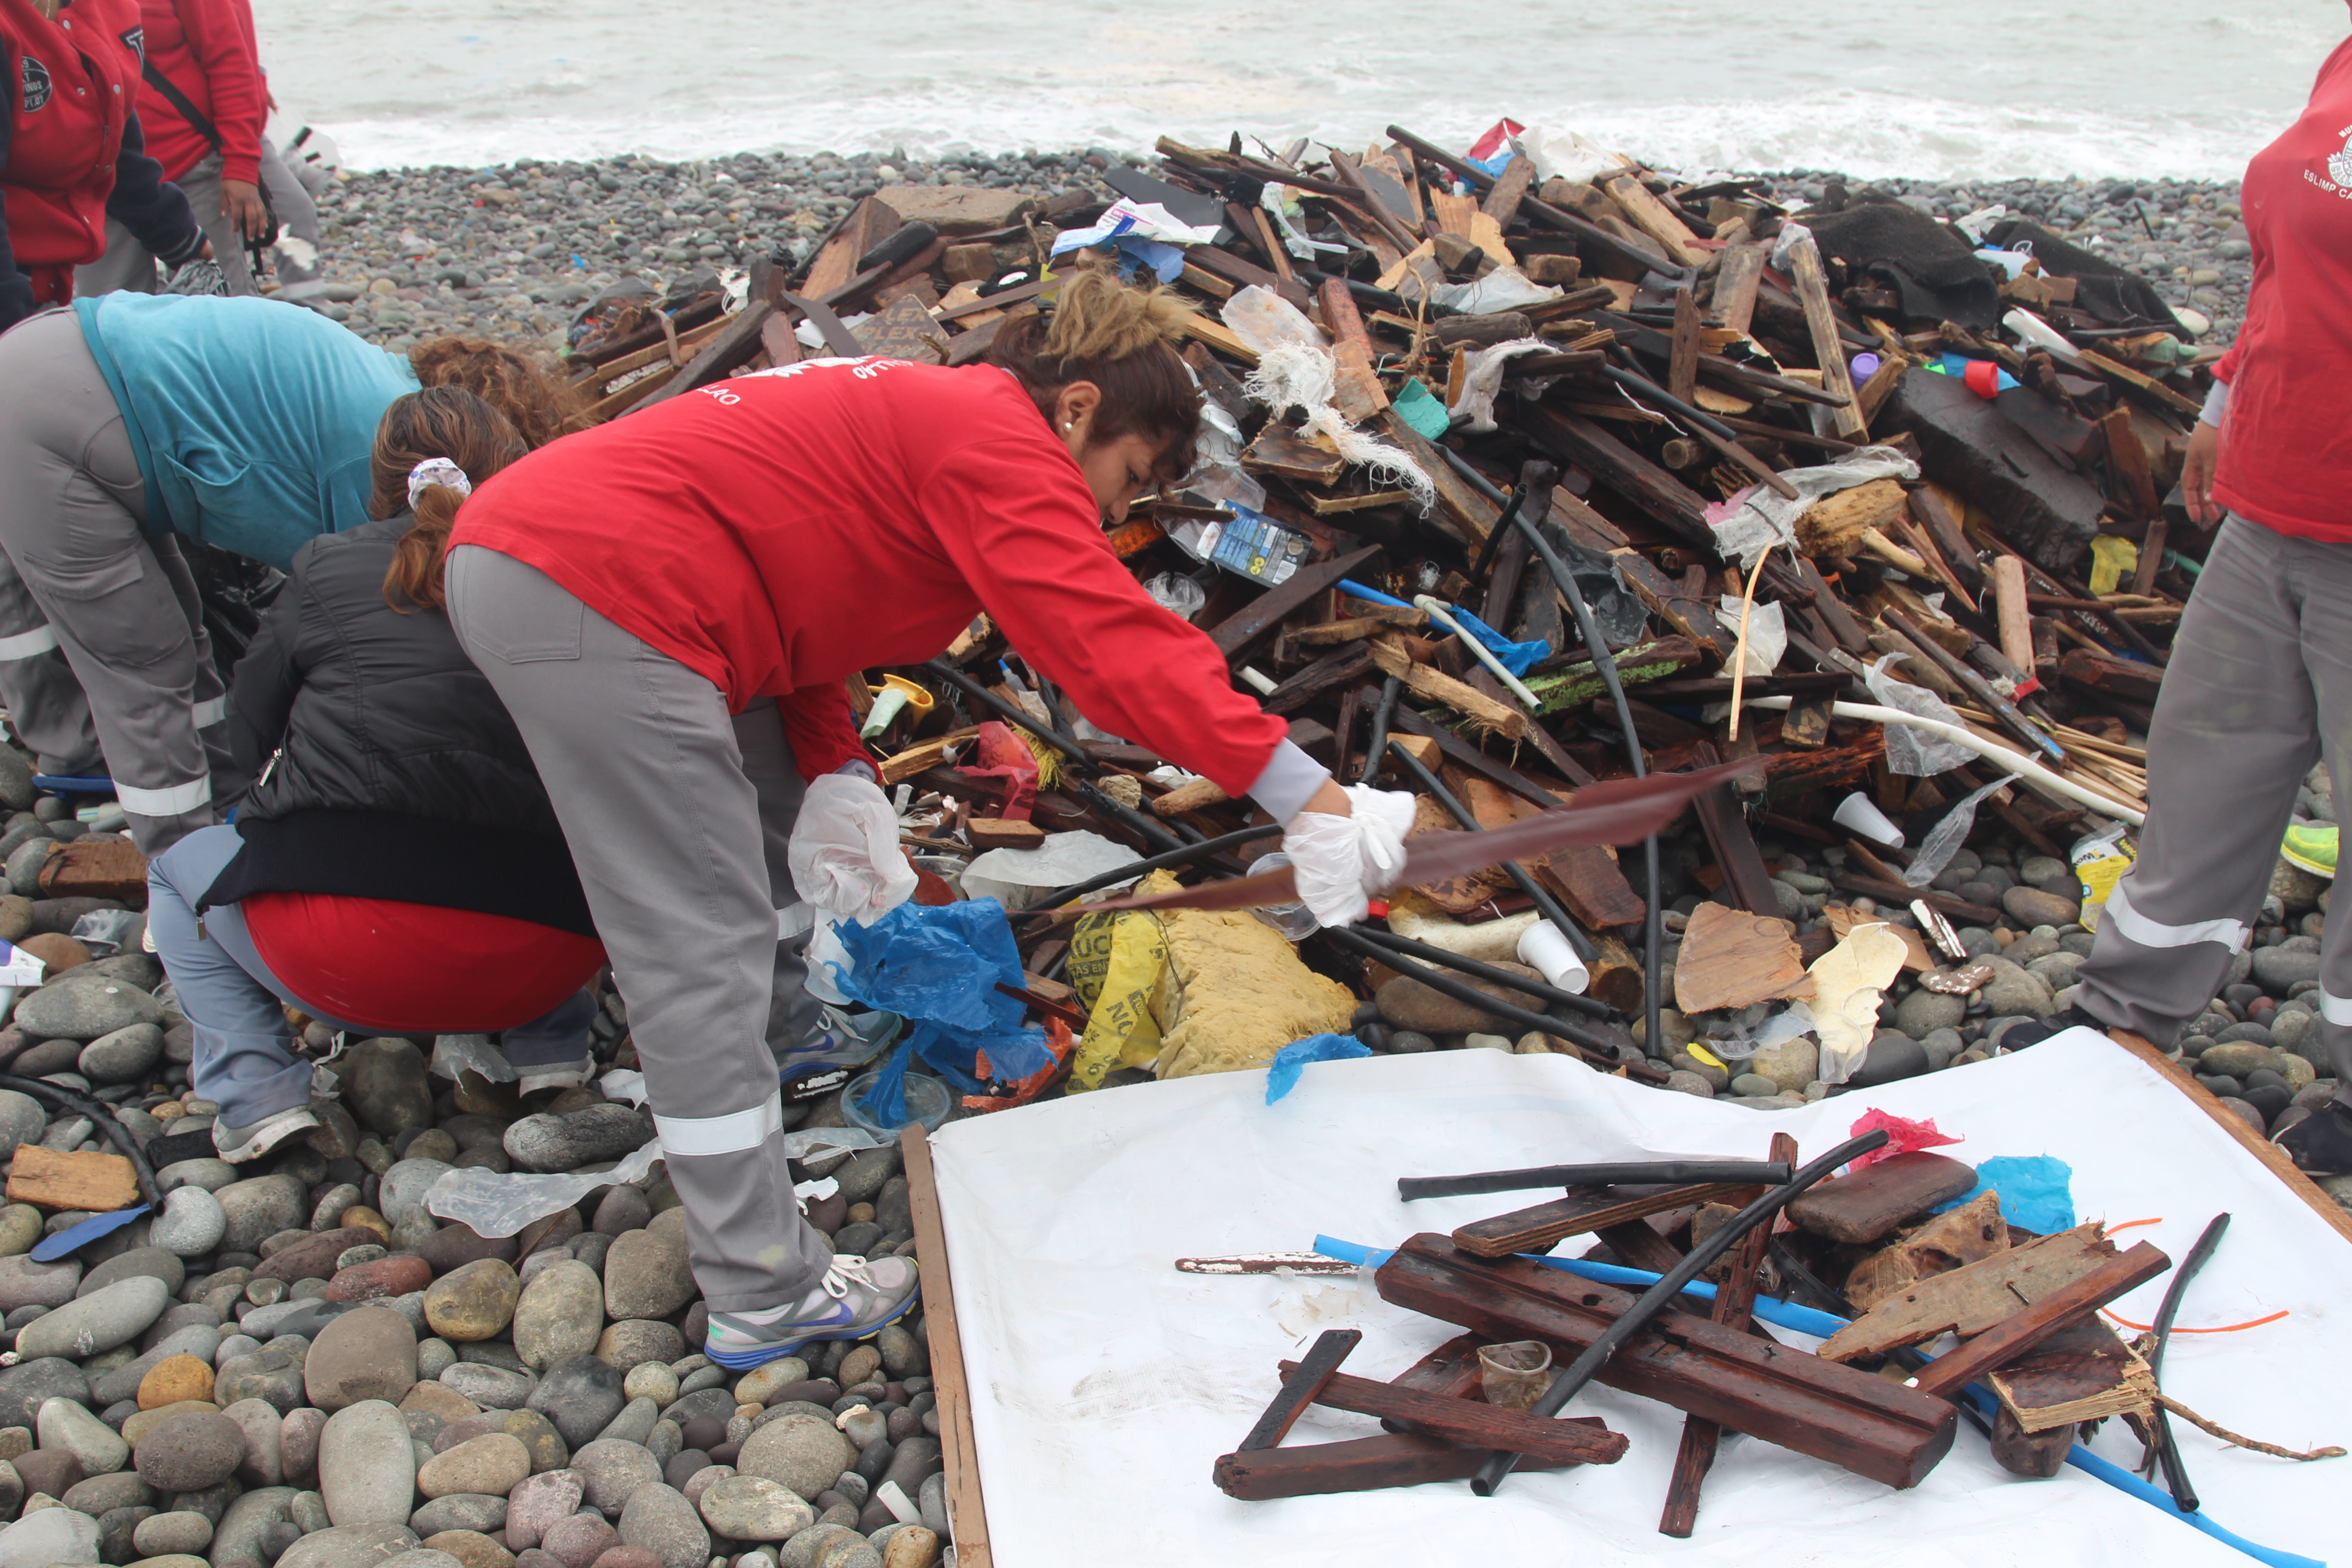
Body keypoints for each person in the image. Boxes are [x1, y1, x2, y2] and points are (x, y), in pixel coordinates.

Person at [439, 268, 1418, 1368]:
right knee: (692, 943)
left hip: (592, 571)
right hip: (598, 589)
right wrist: (1308, 797)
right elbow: (1103, 644)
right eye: (1125, 478)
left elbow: (791, 604)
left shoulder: (923, 417)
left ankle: (779, 1050)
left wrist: (833, 771)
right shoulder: (991, 433)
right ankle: (764, 1285)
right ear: (1079, 407)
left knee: (766, 846)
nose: (1105, 512)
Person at [2003, 17, 2352, 1171]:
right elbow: (2284, 264)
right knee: (2205, 765)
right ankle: (2126, 1019)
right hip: (2267, 509)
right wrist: (2219, 403)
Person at [147, 386, 605, 1162]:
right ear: (506, 467)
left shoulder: (326, 566)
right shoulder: (562, 570)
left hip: (339, 955)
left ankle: (257, 1099)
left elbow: (247, 730)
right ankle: (549, 1054)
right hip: (546, 953)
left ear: (381, 479)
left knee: (173, 873)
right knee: (570, 828)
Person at [0, 292, 573, 854]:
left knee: (176, 628)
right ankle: (183, 863)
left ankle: (115, 761)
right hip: (58, 416)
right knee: (141, 662)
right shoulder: (383, 461)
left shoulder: (393, 405)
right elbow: (374, 622)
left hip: (63, 358)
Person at [1, 0, 209, 330]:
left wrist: (177, 235)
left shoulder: (112, 10)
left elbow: (114, 137)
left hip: (55, 276)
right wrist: (11, 323)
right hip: (14, 276)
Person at [73, 0, 291, 297]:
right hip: (102, 180)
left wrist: (241, 165)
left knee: (224, 309)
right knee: (106, 316)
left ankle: (308, 320)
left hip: (194, 168)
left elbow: (230, 59)